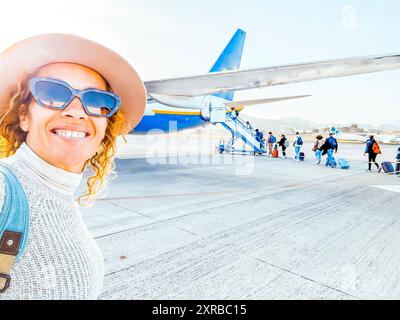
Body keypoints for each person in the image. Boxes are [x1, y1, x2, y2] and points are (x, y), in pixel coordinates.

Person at [0, 34, 146, 300]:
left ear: (105, 128)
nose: (77, 112)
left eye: (95, 101)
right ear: (24, 116)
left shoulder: (59, 199)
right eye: (52, 93)